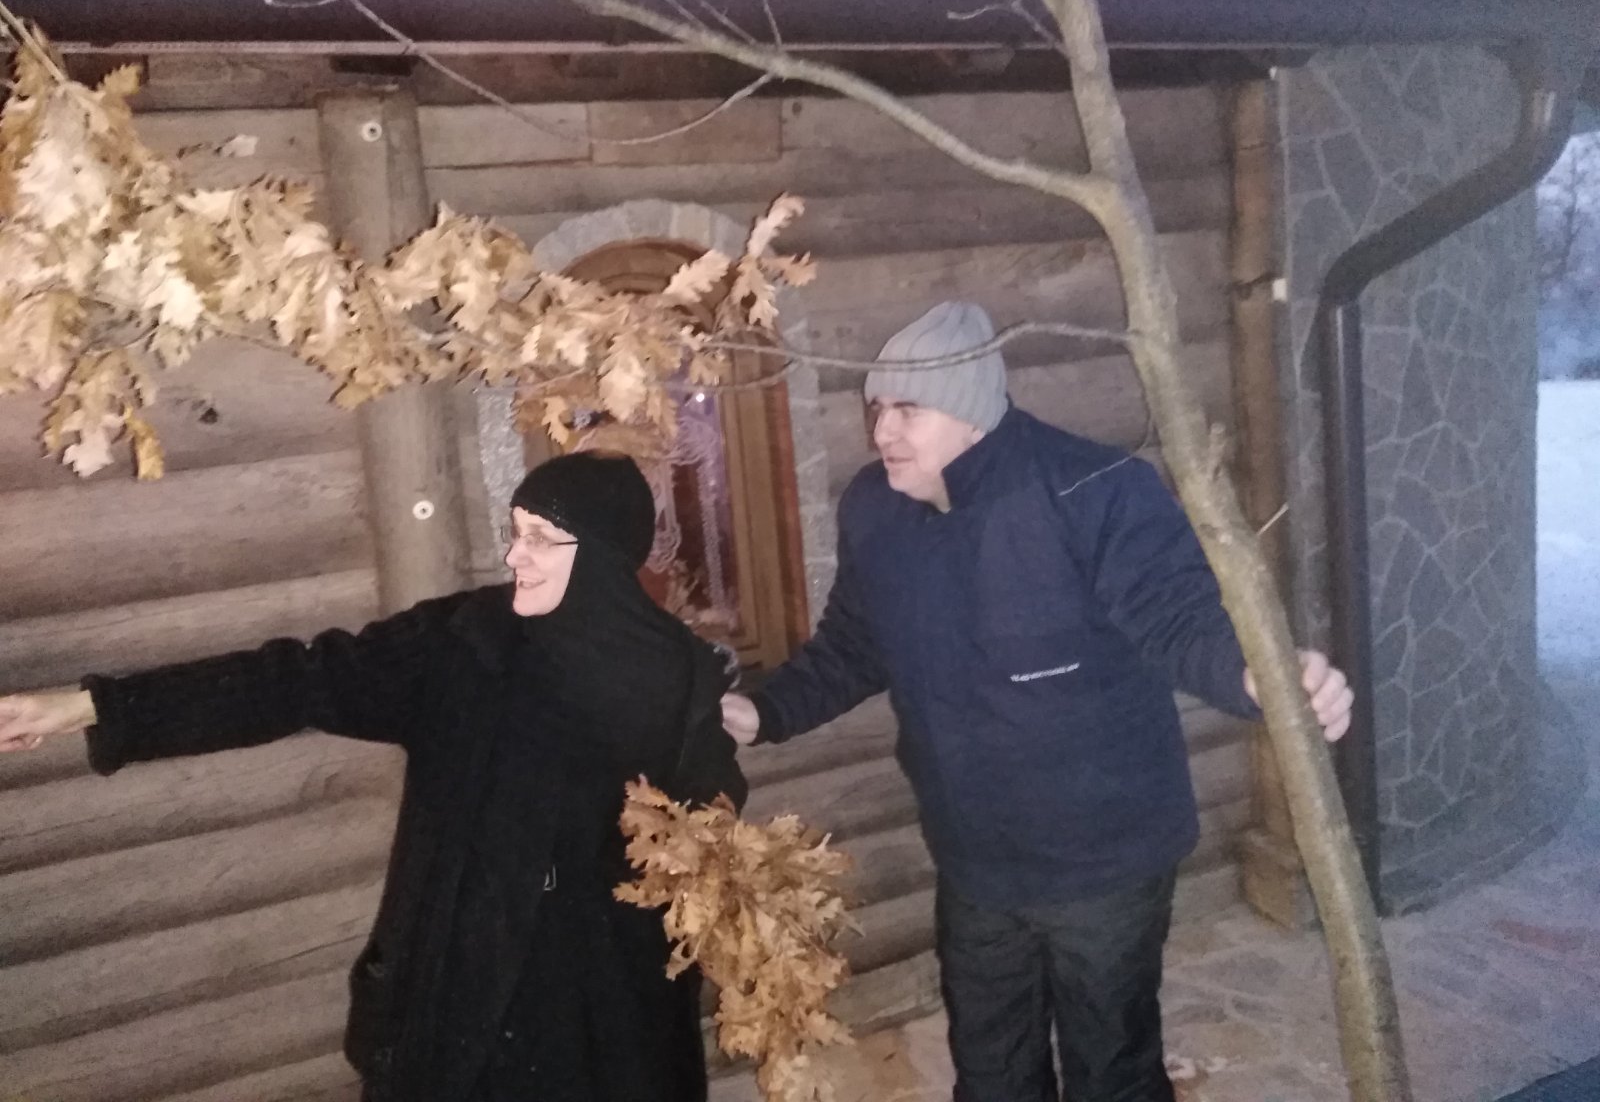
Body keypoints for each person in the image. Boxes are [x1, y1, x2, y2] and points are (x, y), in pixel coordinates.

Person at [720, 301, 1353, 1102]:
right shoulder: (876, 511)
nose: (882, 431)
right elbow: (853, 643)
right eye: (876, 407)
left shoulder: (1093, 491)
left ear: (972, 412)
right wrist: (766, 711)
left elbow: (1178, 617)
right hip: (977, 859)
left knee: (1111, 1072)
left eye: (909, 409)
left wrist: (1260, 677)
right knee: (991, 1072)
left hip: (1105, 859)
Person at [0, 451, 745, 1102]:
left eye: (540, 539)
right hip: (461, 997)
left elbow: (710, 835)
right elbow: (294, 680)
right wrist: (96, 707)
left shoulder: (678, 678)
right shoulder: (463, 647)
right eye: (515, 531)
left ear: (604, 558)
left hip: (607, 1019)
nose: (514, 554)